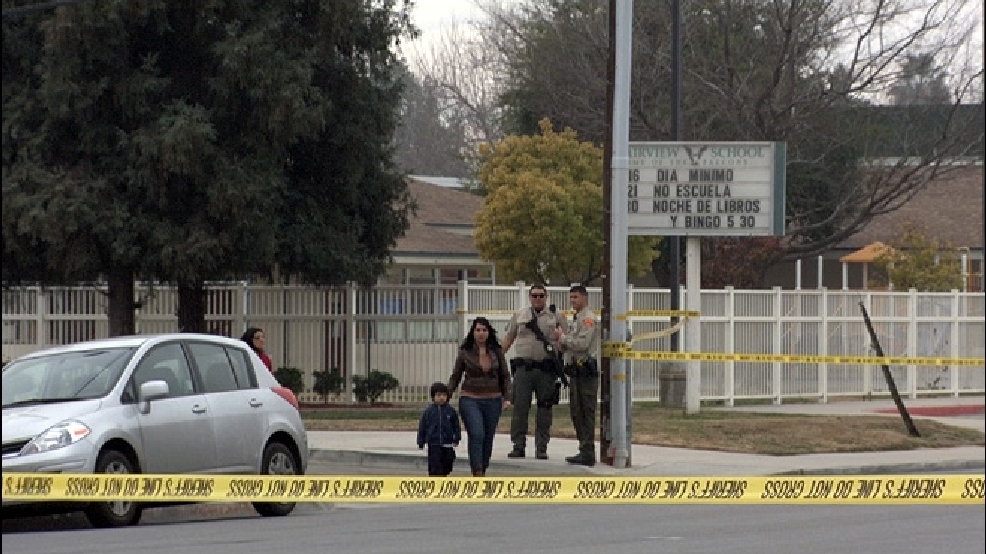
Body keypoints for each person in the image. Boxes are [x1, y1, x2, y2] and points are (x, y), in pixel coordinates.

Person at [500, 284, 567, 460]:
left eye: (541, 296)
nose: (538, 299)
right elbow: (509, 337)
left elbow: (566, 340)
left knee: (545, 409)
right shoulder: (520, 315)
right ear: (530, 297)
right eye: (534, 296)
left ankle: (542, 447)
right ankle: (518, 445)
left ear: (546, 297)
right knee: (520, 408)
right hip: (524, 369)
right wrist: (497, 358)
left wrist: (561, 349)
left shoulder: (556, 316)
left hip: (546, 369)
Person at [448, 317, 512, 477]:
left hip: (493, 399)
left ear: (489, 332)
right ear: (473, 332)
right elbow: (455, 376)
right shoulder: (465, 352)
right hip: (470, 398)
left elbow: (505, 376)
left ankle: (483, 467)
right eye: (478, 330)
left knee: (488, 436)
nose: (481, 333)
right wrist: (445, 395)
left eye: (484, 330)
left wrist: (507, 397)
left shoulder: (496, 351)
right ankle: (476, 470)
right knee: (477, 434)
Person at [554, 285, 600, 466]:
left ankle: (588, 451)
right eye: (571, 297)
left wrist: (562, 338)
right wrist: (563, 343)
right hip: (576, 370)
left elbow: (582, 343)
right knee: (576, 411)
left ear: (585, 298)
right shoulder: (577, 318)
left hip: (586, 371)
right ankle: (583, 448)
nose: (572, 301)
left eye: (576, 297)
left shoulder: (588, 319)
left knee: (586, 411)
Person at [417, 382, 461, 477]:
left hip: (447, 443)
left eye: (444, 395)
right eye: (438, 395)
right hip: (434, 444)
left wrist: (457, 438)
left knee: (448, 463)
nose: (441, 398)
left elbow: (456, 425)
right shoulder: (429, 412)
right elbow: (423, 427)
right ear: (433, 397)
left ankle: (443, 475)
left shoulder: (450, 411)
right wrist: (421, 441)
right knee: (435, 466)